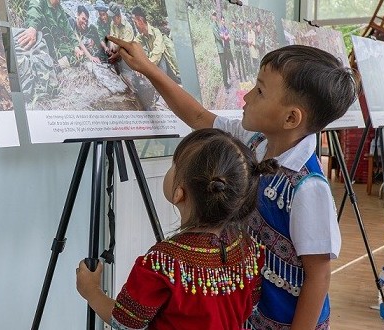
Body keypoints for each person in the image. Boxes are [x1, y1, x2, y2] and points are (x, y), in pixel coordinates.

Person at [105, 37, 360, 329]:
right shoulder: (254, 141)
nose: (247, 97)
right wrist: (148, 68)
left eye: (260, 91)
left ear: (291, 118)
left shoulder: (308, 188)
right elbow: (198, 115)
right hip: (249, 313)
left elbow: (319, 276)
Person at [76, 128, 278, 329]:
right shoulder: (248, 248)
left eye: (174, 165)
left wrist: (92, 291)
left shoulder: (162, 262)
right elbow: (250, 306)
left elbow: (126, 323)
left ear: (179, 193)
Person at [17, 0, 79, 68]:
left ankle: (55, 68)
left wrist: (76, 45)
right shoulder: (41, 2)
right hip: (43, 43)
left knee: (74, 58)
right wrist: (32, 27)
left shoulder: (60, 10)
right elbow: (34, 9)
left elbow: (69, 30)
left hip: (57, 46)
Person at [130, 6, 180, 84]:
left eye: (135, 22)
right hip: (162, 70)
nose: (134, 26)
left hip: (175, 72)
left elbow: (157, 54)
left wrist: (144, 68)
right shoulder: (141, 36)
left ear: (140, 20)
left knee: (159, 56)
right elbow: (133, 47)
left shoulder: (157, 33)